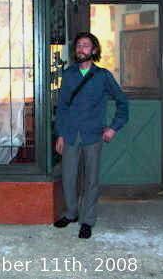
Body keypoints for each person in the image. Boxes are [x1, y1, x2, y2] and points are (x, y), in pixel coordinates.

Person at [53, 32, 128, 239]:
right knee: (68, 177)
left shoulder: (103, 76)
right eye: (78, 46)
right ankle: (71, 213)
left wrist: (113, 127)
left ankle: (88, 220)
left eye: (85, 46)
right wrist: (60, 134)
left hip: (93, 135)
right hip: (70, 134)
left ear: (94, 50)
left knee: (91, 180)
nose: (81, 49)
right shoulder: (68, 75)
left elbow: (122, 102)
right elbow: (62, 107)